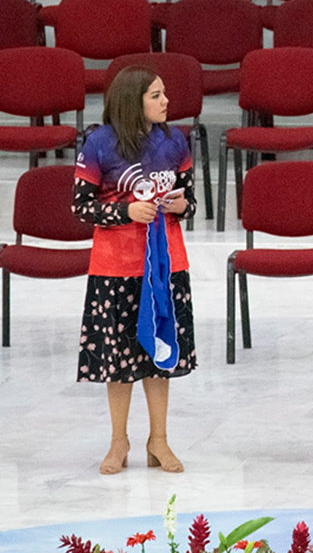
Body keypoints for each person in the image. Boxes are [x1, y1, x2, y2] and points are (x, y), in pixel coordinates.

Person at [75, 65, 197, 475]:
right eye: (156, 95)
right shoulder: (99, 143)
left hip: (166, 264)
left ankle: (158, 439)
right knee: (119, 358)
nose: (166, 101)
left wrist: (181, 205)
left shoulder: (175, 140)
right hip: (116, 266)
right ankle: (118, 441)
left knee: (161, 351)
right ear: (133, 101)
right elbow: (81, 207)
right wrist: (125, 211)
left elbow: (190, 199)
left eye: (164, 94)